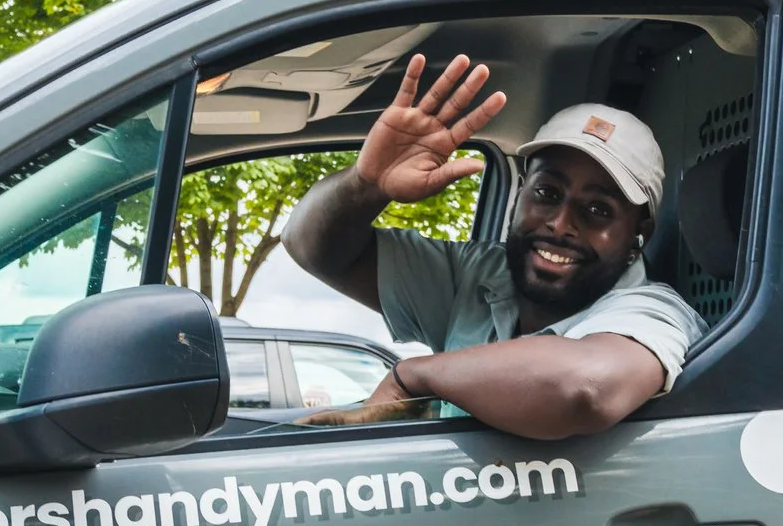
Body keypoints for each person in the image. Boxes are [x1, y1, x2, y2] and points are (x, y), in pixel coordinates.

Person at [282, 52, 706, 440]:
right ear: (519, 195)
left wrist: (412, 377)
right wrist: (366, 184)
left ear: (639, 235)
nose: (561, 224)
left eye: (598, 209)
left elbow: (581, 388)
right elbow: (310, 247)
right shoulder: (476, 274)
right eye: (547, 193)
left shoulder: (653, 313)